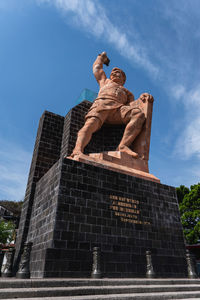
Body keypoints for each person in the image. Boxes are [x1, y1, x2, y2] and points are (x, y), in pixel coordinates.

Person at [71, 52, 149, 158]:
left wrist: (143, 98)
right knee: (90, 125)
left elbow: (131, 105)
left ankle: (123, 146)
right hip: (101, 105)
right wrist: (101, 58)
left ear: (123, 79)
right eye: (113, 72)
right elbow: (97, 68)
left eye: (118, 72)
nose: (114, 73)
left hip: (118, 110)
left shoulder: (128, 93)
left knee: (138, 114)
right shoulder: (105, 81)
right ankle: (77, 150)